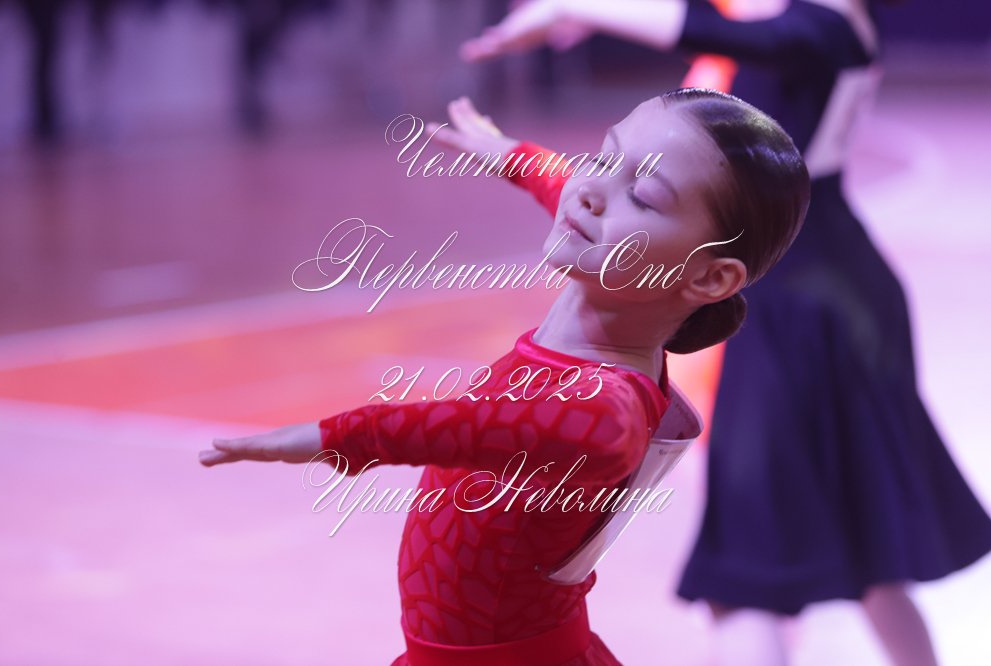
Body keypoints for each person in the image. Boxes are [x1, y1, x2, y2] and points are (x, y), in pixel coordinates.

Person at [198, 88, 810, 665]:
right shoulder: (612, 281)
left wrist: (339, 436)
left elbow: (468, 426)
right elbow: (566, 187)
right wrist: (509, 155)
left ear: (709, 278)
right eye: (603, 158)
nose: (591, 191)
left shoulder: (605, 410)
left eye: (644, 197)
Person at [459, 2, 991, 665]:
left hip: (800, 311)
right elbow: (717, 16)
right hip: (843, 292)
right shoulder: (837, 17)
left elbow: (715, 29)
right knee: (867, 546)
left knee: (745, 578)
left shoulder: (818, 28)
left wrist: (575, 5)